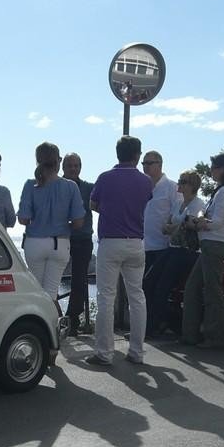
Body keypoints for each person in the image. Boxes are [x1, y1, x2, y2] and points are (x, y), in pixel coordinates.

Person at [85, 135, 154, 366]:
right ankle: (137, 352)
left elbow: (93, 204)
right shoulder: (145, 181)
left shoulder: (105, 178)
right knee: (137, 297)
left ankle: (104, 353)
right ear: (137, 155)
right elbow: (144, 202)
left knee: (105, 296)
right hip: (136, 242)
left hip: (110, 242)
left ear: (117, 153)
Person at [181, 152, 224, 348]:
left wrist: (199, 224)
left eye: (214, 167)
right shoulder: (222, 190)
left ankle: (214, 337)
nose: (211, 171)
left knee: (212, 291)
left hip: (214, 244)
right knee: (193, 288)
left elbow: (218, 221)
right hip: (211, 244)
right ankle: (190, 334)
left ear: (222, 169)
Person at [18, 142, 85, 300]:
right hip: (59, 243)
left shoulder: (30, 185)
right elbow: (78, 223)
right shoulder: (71, 186)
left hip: (34, 242)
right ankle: (52, 323)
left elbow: (23, 219)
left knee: (36, 291)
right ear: (58, 161)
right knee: (51, 292)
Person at [146, 170, 206, 338]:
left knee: (162, 287)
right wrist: (175, 227)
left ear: (192, 185)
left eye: (183, 181)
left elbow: (186, 226)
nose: (179, 183)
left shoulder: (197, 204)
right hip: (173, 248)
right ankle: (162, 321)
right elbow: (169, 226)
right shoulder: (179, 204)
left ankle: (153, 327)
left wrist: (175, 227)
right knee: (148, 281)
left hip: (186, 252)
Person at [62, 152, 95, 336]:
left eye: (76, 165)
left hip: (82, 239)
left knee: (79, 279)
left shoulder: (89, 188)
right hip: (61, 238)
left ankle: (72, 320)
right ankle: (55, 317)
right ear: (63, 167)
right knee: (52, 278)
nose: (73, 169)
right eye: (70, 165)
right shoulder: (57, 187)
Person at [141, 150, 180, 274]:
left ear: (160, 164)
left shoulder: (172, 187)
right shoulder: (140, 187)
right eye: (143, 163)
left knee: (155, 287)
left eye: (149, 163)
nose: (145, 166)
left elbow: (178, 215)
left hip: (162, 247)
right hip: (141, 247)